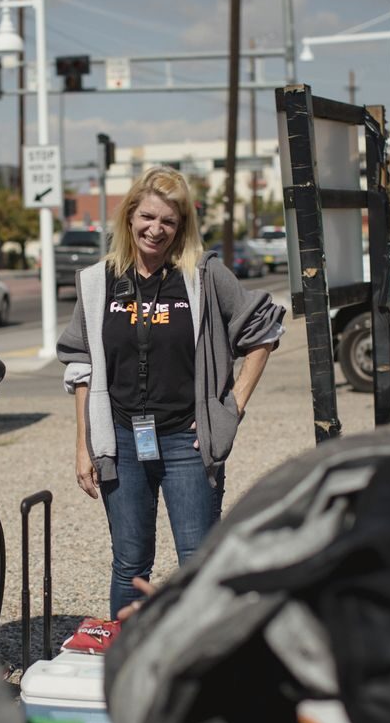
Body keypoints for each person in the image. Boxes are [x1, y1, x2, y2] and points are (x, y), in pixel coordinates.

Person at [57, 166, 285, 618]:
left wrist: (230, 407)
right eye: (147, 217)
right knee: (129, 564)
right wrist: (84, 444)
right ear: (129, 217)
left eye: (168, 221)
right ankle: (130, 663)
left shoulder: (202, 275)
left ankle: (198, 663)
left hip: (186, 440)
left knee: (198, 565)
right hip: (121, 439)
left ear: (181, 227)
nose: (155, 230)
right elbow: (81, 365)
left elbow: (264, 330)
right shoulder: (99, 281)